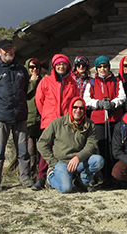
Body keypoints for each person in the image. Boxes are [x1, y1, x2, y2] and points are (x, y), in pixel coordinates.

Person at [0, 39, 33, 192]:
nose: (8, 52)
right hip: (0, 118)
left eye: (11, 49)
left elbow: (25, 90)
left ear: (14, 51)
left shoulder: (21, 70)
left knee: (23, 150)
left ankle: (25, 178)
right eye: (5, 50)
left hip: (20, 117)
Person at [37, 97, 105, 193]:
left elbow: (91, 145)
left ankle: (82, 181)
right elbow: (42, 143)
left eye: (81, 108)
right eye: (75, 107)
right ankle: (51, 178)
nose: (78, 110)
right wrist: (53, 162)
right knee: (66, 189)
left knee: (98, 160)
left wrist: (78, 157)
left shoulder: (90, 125)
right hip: (62, 162)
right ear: (70, 108)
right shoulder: (57, 123)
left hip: (79, 161)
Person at [32, 53, 79, 190]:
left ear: (68, 66)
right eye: (58, 64)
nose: (61, 66)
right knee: (45, 149)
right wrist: (46, 115)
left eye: (63, 64)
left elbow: (75, 101)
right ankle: (40, 178)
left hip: (66, 121)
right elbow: (39, 101)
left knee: (64, 149)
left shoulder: (72, 82)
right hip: (49, 121)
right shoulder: (46, 81)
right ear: (54, 66)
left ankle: (63, 176)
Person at [84, 55, 126, 186]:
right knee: (101, 147)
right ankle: (103, 176)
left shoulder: (116, 81)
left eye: (105, 66)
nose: (103, 69)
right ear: (96, 69)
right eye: (100, 67)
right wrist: (98, 104)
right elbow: (87, 99)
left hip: (114, 118)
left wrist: (113, 104)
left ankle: (115, 176)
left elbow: (122, 96)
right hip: (98, 120)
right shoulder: (91, 82)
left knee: (115, 147)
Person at [25, 58, 44, 179]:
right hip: (29, 119)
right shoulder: (25, 81)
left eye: (36, 67)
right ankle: (30, 173)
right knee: (30, 149)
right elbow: (25, 94)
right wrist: (32, 82)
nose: (34, 70)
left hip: (41, 118)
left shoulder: (43, 80)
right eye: (32, 67)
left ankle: (41, 173)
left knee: (42, 148)